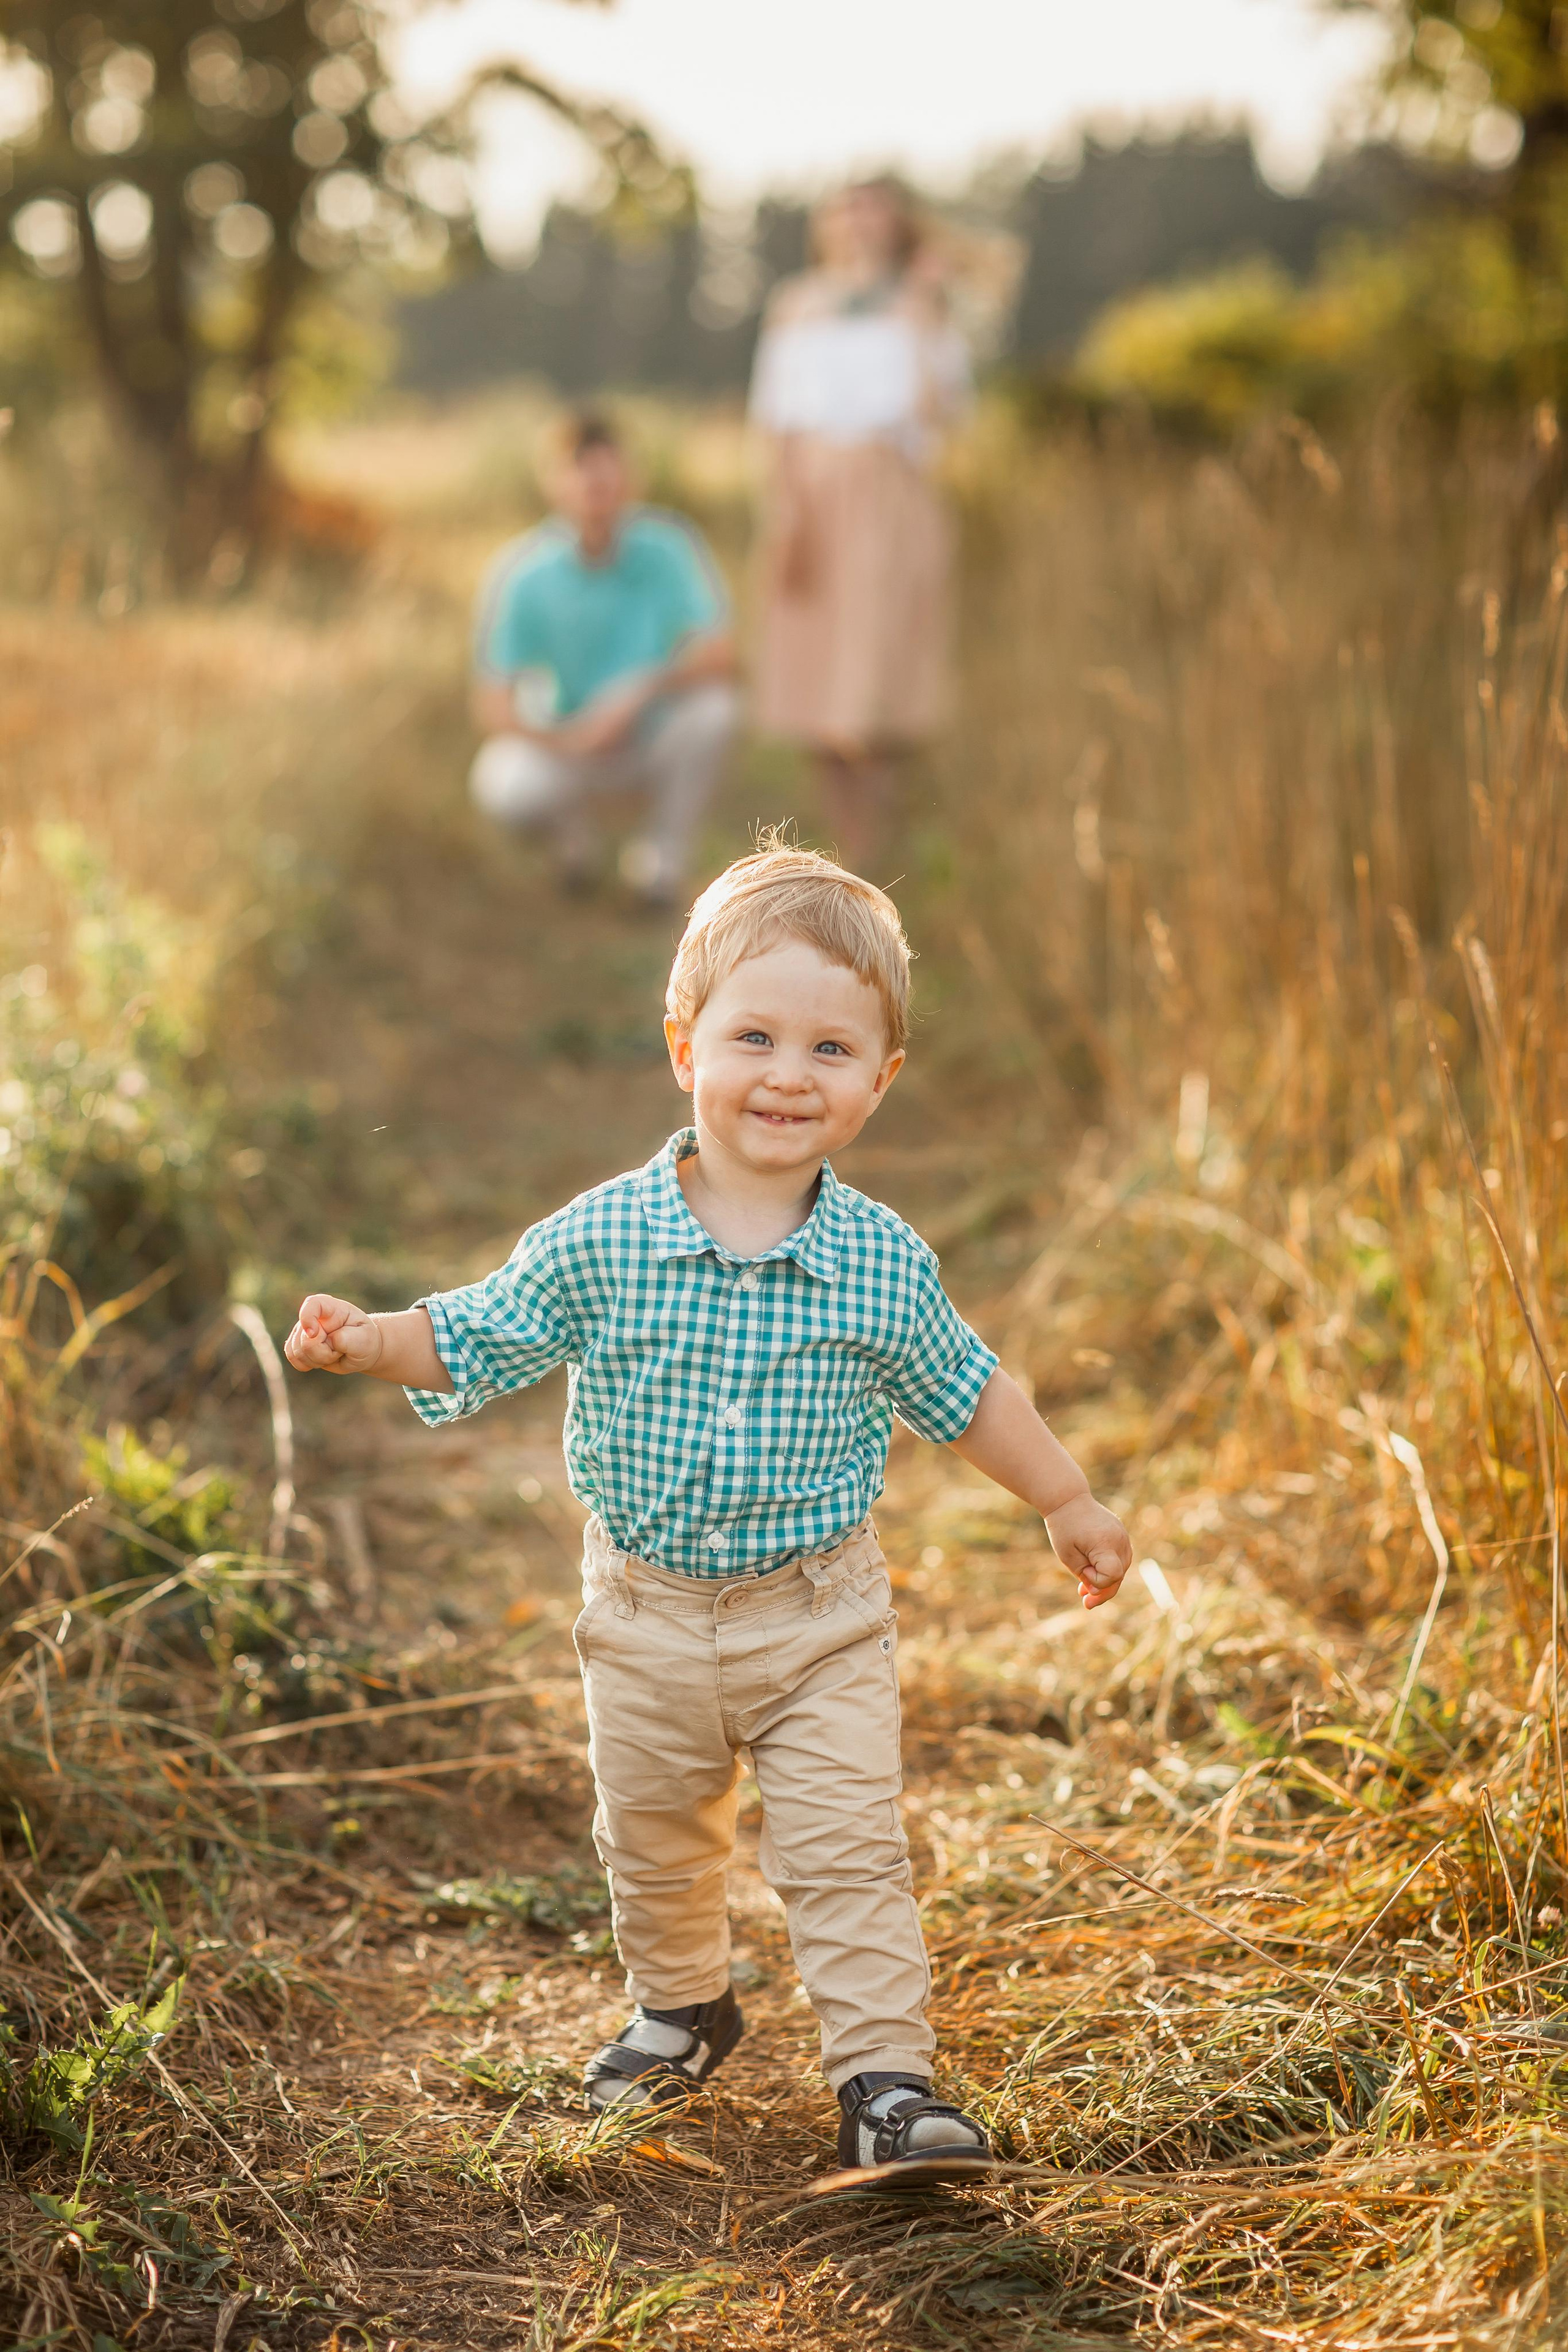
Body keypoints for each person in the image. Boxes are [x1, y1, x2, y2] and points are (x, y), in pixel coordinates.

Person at [284, 845, 1131, 2186]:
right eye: (754, 1036)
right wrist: (369, 1339)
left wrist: (1065, 1496)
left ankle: (885, 2084)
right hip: (643, 1616)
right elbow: (484, 1333)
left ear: (879, 1079)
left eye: (830, 1047)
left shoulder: (878, 1261)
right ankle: (683, 2007)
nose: (788, 1074)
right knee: (656, 1838)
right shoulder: (605, 1237)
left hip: (819, 1619)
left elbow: (967, 1392)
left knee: (845, 1853)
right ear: (684, 1046)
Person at [749, 178, 971, 873]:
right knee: (816, 672)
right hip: (811, 493)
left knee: (875, 674)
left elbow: (940, 413)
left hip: (887, 493)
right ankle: (841, 842)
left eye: (874, 206)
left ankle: (874, 850)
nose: (858, 220)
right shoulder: (797, 304)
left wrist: (927, 311)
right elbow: (775, 417)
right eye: (846, 206)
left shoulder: (918, 303)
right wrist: (784, 511)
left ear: (898, 219)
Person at [470, 411, 741, 905]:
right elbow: (492, 704)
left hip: (651, 730)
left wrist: (642, 687)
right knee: (502, 784)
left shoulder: (669, 547)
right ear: (554, 483)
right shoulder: (522, 571)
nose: (599, 487)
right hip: (564, 738)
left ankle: (662, 858)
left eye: (610, 472)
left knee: (716, 711)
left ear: (631, 478)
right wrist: (568, 740)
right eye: (583, 472)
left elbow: (722, 654)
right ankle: (573, 839)